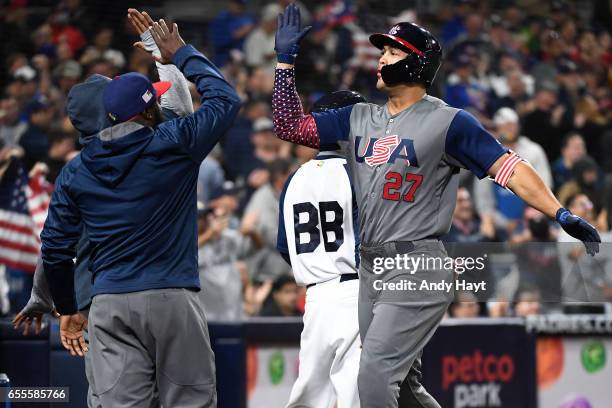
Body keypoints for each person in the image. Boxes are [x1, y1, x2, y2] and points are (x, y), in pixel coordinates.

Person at [271, 5, 600, 407]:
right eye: (382, 52)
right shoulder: (358, 117)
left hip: (418, 260)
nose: (381, 59)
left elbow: (510, 168)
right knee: (405, 390)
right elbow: (290, 127)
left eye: (393, 53)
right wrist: (285, 64)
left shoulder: (450, 122)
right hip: (371, 266)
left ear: (417, 64)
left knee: (371, 377)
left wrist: (560, 213)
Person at [40, 19, 240, 407]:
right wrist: (180, 53)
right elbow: (225, 100)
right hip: (172, 297)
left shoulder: (76, 169)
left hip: (110, 302)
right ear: (149, 113)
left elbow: (54, 249)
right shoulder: (175, 143)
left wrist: (67, 307)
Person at [14, 9, 200, 407]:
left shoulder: (77, 172)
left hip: (98, 302)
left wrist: (46, 300)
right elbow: (184, 112)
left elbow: (56, 247)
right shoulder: (154, 149)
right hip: (154, 293)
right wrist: (164, 56)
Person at [277, 90, 365, 408]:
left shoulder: (294, 178)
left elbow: (285, 247)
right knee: (357, 395)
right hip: (354, 292)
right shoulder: (357, 174)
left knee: (309, 397)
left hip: (314, 298)